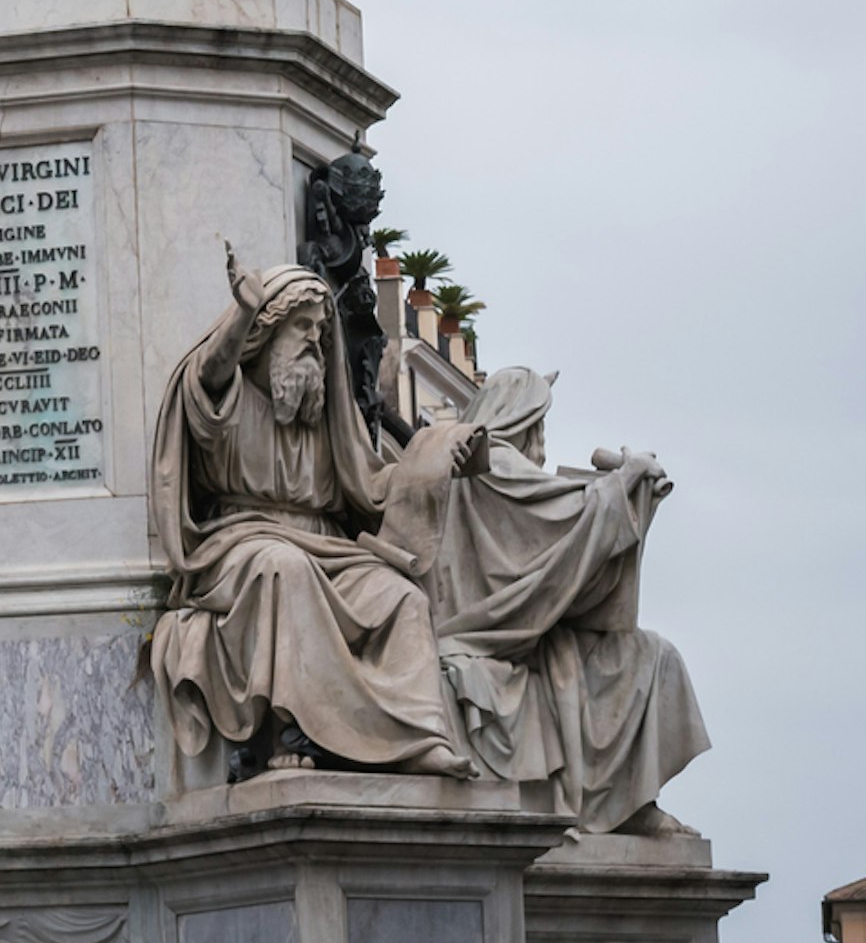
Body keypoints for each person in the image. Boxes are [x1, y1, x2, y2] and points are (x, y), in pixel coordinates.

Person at [146, 255, 471, 777]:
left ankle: (416, 736)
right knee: (286, 570)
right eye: (302, 326)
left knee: (403, 598)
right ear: (266, 331)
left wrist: (437, 456)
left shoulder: (324, 420)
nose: (314, 340)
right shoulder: (231, 400)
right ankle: (295, 735)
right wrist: (242, 313)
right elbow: (206, 379)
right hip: (241, 541)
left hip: (329, 549)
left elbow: (375, 485)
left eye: (320, 331)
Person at [379, 366, 711, 834]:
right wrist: (628, 482)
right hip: (487, 638)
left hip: (523, 632)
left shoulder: (484, 464)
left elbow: (558, 564)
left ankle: (633, 804)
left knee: (646, 655)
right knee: (655, 657)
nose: (542, 440)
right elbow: (569, 524)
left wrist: (620, 494)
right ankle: (627, 806)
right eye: (541, 426)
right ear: (525, 420)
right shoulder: (493, 462)